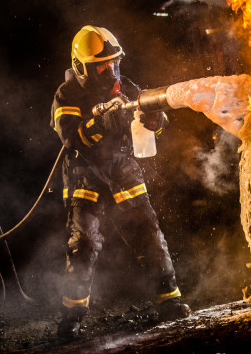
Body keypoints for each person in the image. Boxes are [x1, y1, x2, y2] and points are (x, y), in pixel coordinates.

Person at [51, 25, 191, 340]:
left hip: (123, 171)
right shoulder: (67, 94)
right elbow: (71, 138)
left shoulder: (125, 87)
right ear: (82, 67)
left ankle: (170, 300)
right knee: (83, 244)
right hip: (84, 175)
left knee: (148, 231)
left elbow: (153, 121)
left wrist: (156, 120)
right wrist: (99, 122)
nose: (110, 69)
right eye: (102, 64)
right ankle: (70, 317)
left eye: (114, 62)